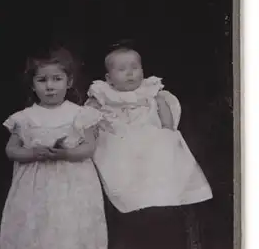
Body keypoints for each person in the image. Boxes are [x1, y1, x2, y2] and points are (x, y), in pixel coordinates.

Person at [0, 48, 107, 249]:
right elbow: (11, 150)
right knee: (42, 234)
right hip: (37, 188)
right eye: (42, 80)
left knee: (69, 232)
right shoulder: (24, 118)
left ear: (69, 82)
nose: (49, 87)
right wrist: (32, 152)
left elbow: (89, 148)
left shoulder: (81, 115)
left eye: (57, 79)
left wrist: (67, 153)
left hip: (73, 185)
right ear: (33, 84)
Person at [85, 44, 213, 214]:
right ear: (109, 78)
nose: (130, 73)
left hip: (148, 132)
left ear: (142, 71)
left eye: (135, 68)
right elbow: (90, 113)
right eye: (122, 69)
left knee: (162, 153)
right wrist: (94, 121)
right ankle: (134, 197)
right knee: (119, 161)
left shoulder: (149, 90)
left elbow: (163, 107)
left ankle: (160, 195)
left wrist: (168, 128)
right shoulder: (104, 93)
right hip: (118, 135)